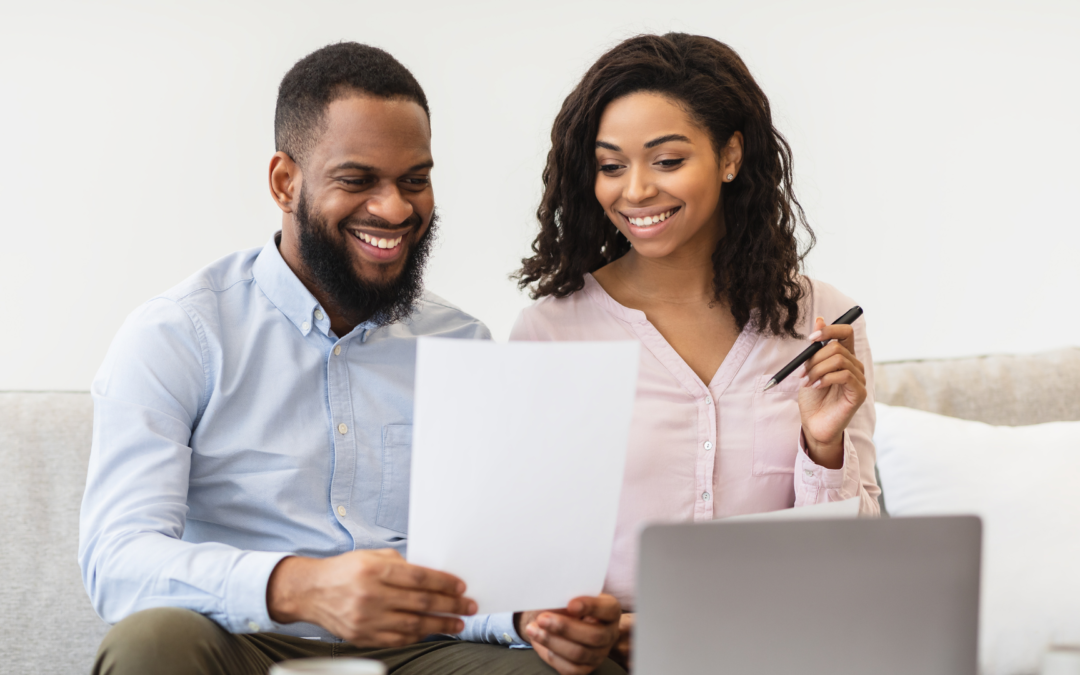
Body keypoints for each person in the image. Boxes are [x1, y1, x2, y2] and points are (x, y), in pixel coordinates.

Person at [80, 42, 622, 675]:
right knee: (151, 643)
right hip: (246, 641)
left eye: (415, 180)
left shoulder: (460, 343)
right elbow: (117, 561)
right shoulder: (178, 335)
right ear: (286, 182)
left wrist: (530, 617)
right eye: (357, 180)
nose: (394, 209)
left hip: (421, 651)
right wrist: (297, 586)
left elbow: (480, 572)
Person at [511, 33, 882, 670]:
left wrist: (823, 447)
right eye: (610, 166)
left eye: (666, 160)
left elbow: (855, 562)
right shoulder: (549, 334)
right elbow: (519, 559)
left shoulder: (816, 319)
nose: (634, 192)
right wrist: (567, 626)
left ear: (730, 156)